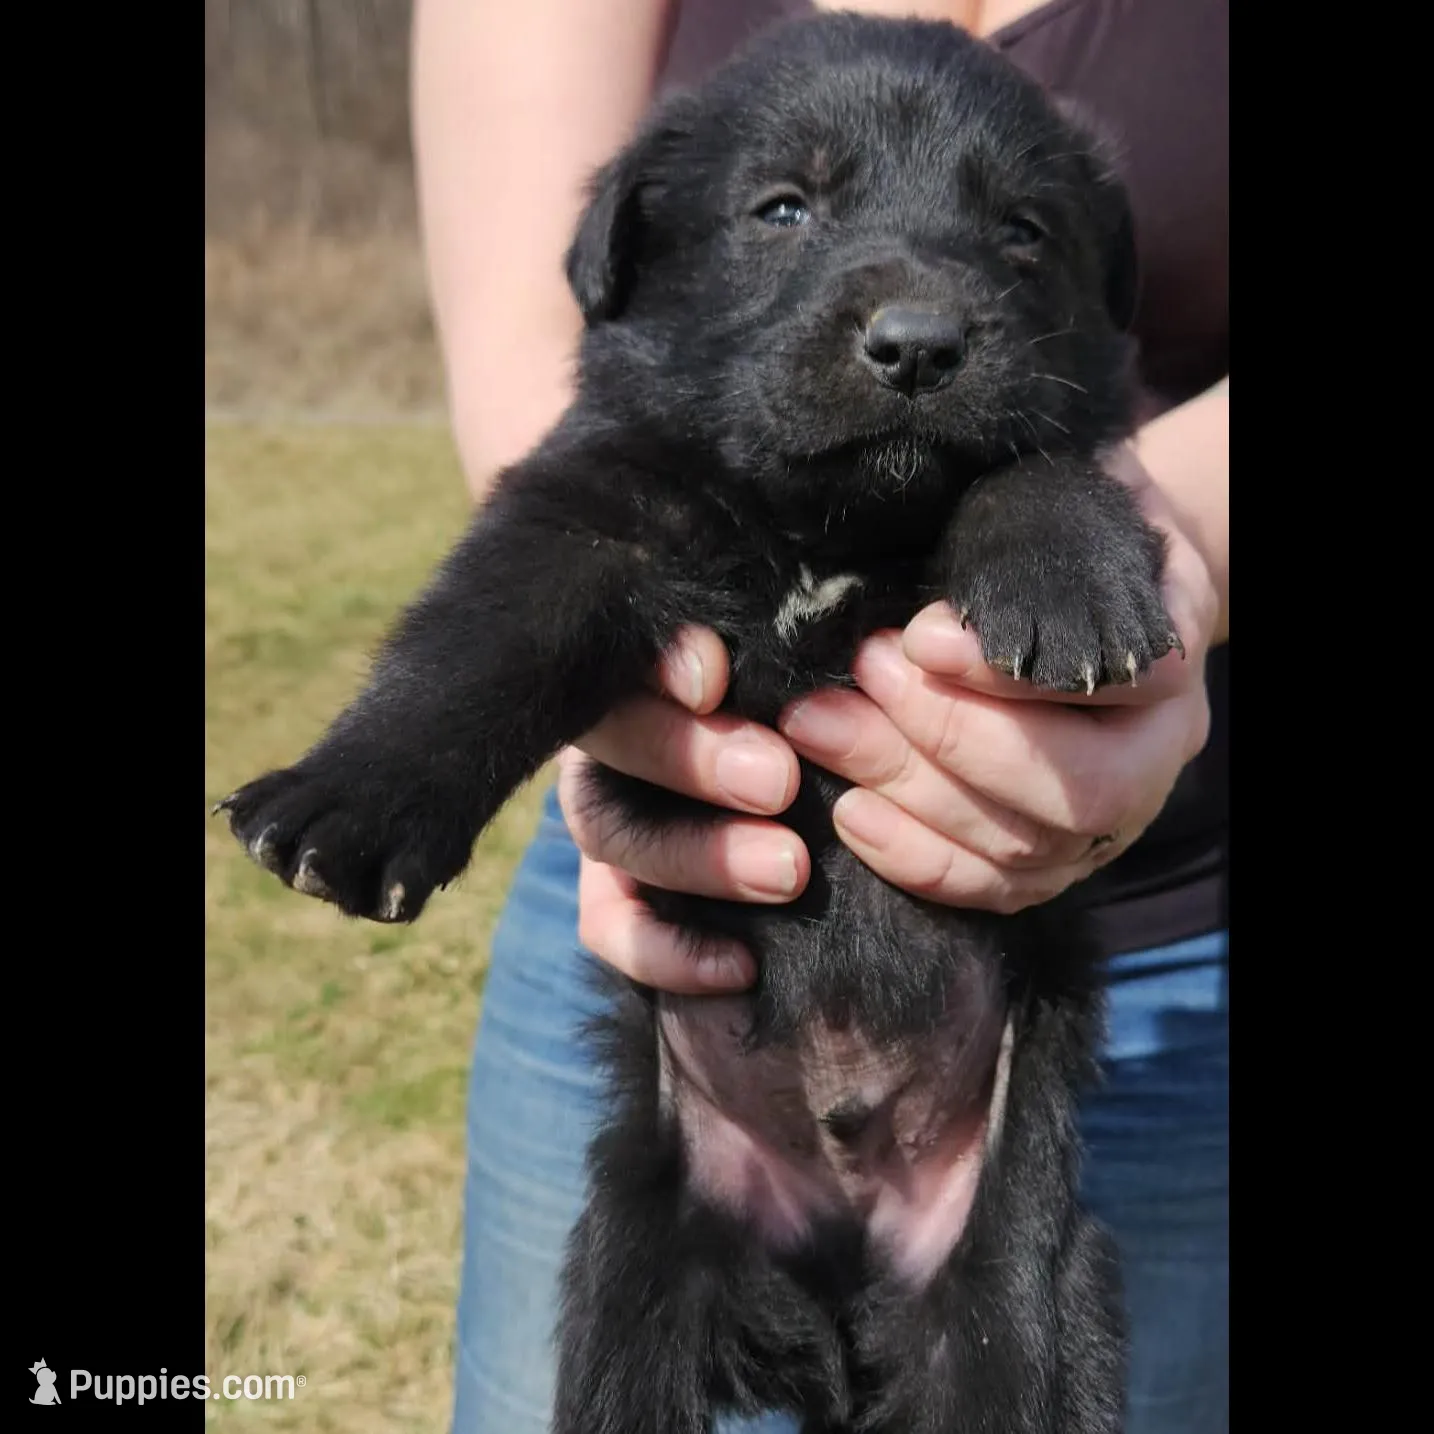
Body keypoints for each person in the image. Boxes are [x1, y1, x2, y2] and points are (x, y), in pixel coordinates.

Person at [411, 1, 1228, 1431]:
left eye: (1020, 236)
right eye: (783, 204)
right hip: (675, 927)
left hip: (1132, 964)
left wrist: (1178, 553)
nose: (912, 311)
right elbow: (549, 370)